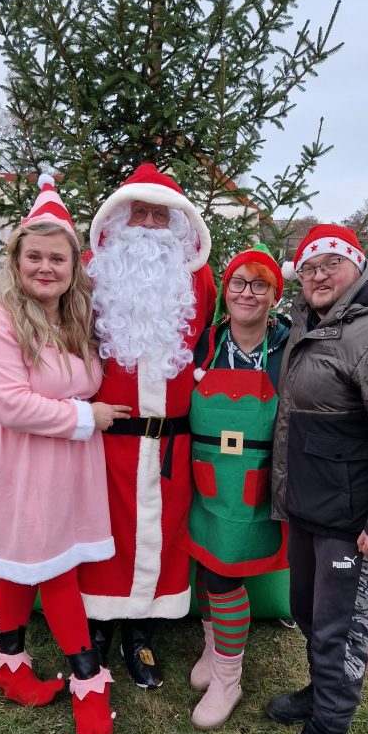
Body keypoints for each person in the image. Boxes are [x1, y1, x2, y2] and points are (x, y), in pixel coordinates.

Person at [0, 175, 131, 734]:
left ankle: (7, 659)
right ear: (17, 259)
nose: (46, 267)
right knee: (51, 564)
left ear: (74, 266)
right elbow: (10, 403)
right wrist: (88, 417)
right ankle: (87, 678)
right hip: (18, 459)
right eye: (35, 256)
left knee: (24, 559)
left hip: (64, 464)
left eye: (58, 258)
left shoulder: (73, 319)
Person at [252, 224, 368, 734]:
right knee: (308, 610)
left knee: (339, 629)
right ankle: (321, 692)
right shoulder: (314, 320)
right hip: (313, 504)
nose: (319, 276)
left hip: (352, 516)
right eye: (309, 267)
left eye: (331, 264)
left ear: (357, 264)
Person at [78, 163, 216, 688]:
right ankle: (95, 626)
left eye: (161, 215)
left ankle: (140, 632)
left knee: (163, 532)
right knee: (101, 529)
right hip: (105, 437)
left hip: (170, 442)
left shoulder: (198, 277)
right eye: (141, 213)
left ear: (178, 223)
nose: (151, 224)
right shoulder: (93, 270)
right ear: (121, 217)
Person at [183, 244, 290, 729]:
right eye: (238, 283)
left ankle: (229, 677)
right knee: (208, 566)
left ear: (274, 295)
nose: (247, 293)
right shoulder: (205, 344)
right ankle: (213, 649)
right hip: (206, 479)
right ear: (225, 291)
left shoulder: (289, 348)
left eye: (259, 284)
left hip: (254, 485)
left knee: (226, 573)